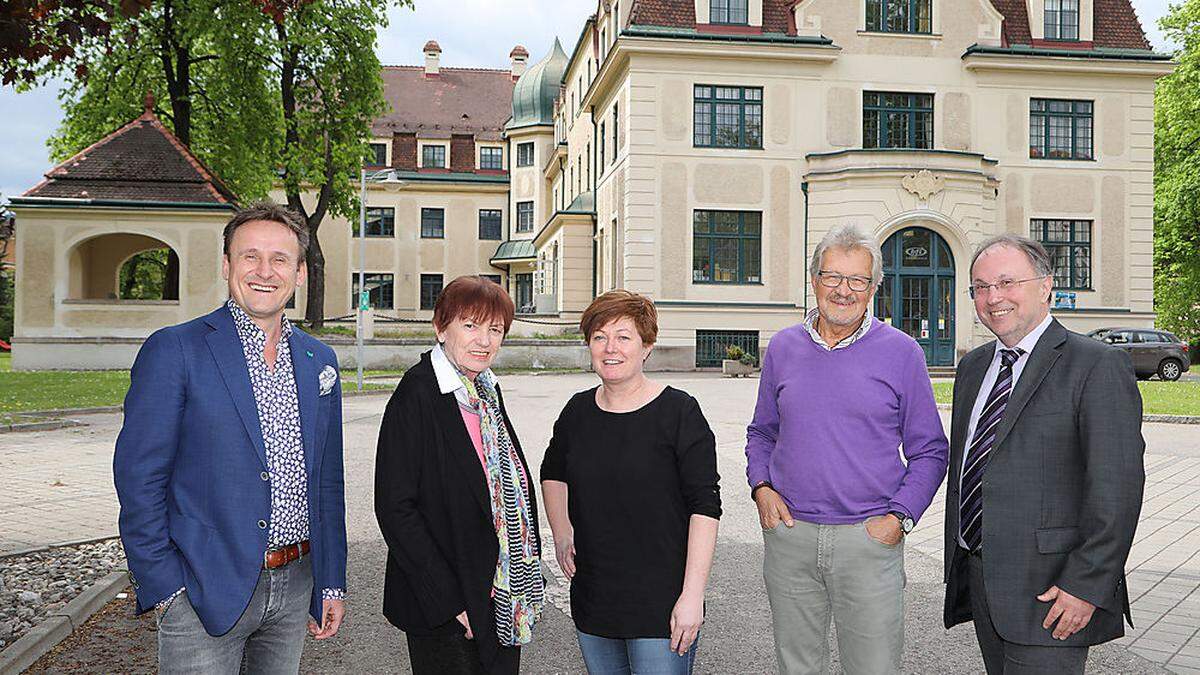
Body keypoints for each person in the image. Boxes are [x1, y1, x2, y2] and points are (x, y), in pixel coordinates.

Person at [113, 202, 347, 674]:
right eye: (250, 256)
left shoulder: (318, 360)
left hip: (295, 582)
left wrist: (331, 582)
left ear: (299, 273)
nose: (265, 271)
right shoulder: (176, 349)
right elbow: (139, 478)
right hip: (202, 589)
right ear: (226, 265)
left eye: (280, 259)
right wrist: (165, 586)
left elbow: (327, 480)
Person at [746, 223, 949, 675]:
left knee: (873, 668)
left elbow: (931, 450)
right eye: (832, 276)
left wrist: (899, 518)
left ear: (874, 287)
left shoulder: (902, 353)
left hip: (868, 540)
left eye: (857, 280)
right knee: (797, 667)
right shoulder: (783, 347)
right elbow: (761, 432)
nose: (843, 290)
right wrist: (761, 486)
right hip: (790, 537)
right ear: (814, 279)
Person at [943, 234, 1144, 674]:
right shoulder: (974, 368)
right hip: (983, 578)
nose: (993, 297)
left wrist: (1087, 586)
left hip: (1054, 590)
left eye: (1007, 282)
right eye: (980, 287)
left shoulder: (1095, 365)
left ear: (1046, 285)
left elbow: (1117, 489)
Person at [541, 290, 722, 675]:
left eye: (623, 336)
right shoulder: (577, 412)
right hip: (596, 598)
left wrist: (692, 596)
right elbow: (552, 472)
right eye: (599, 336)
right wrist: (561, 533)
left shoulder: (679, 412)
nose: (611, 348)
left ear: (647, 346)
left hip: (662, 604)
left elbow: (705, 507)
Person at [375, 275, 544, 675]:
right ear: (440, 327)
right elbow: (396, 507)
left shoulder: (484, 390)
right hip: (447, 606)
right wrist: (451, 602)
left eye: (495, 329)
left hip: (498, 592)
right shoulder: (418, 394)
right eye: (470, 326)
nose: (483, 340)